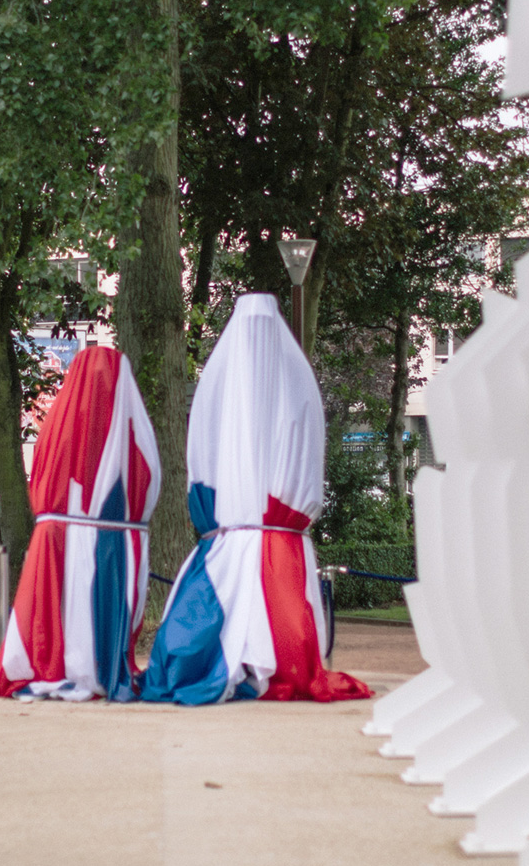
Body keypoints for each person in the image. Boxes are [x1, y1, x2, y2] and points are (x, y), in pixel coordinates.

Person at [142, 294, 371, 705]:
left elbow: (206, 446)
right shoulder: (282, 379)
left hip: (256, 531)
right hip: (248, 531)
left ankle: (251, 665)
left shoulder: (226, 379)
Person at [0, 345, 158, 701]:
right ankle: (92, 662)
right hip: (110, 538)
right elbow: (146, 476)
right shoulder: (126, 425)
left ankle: (57, 663)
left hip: (58, 536)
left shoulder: (59, 423)